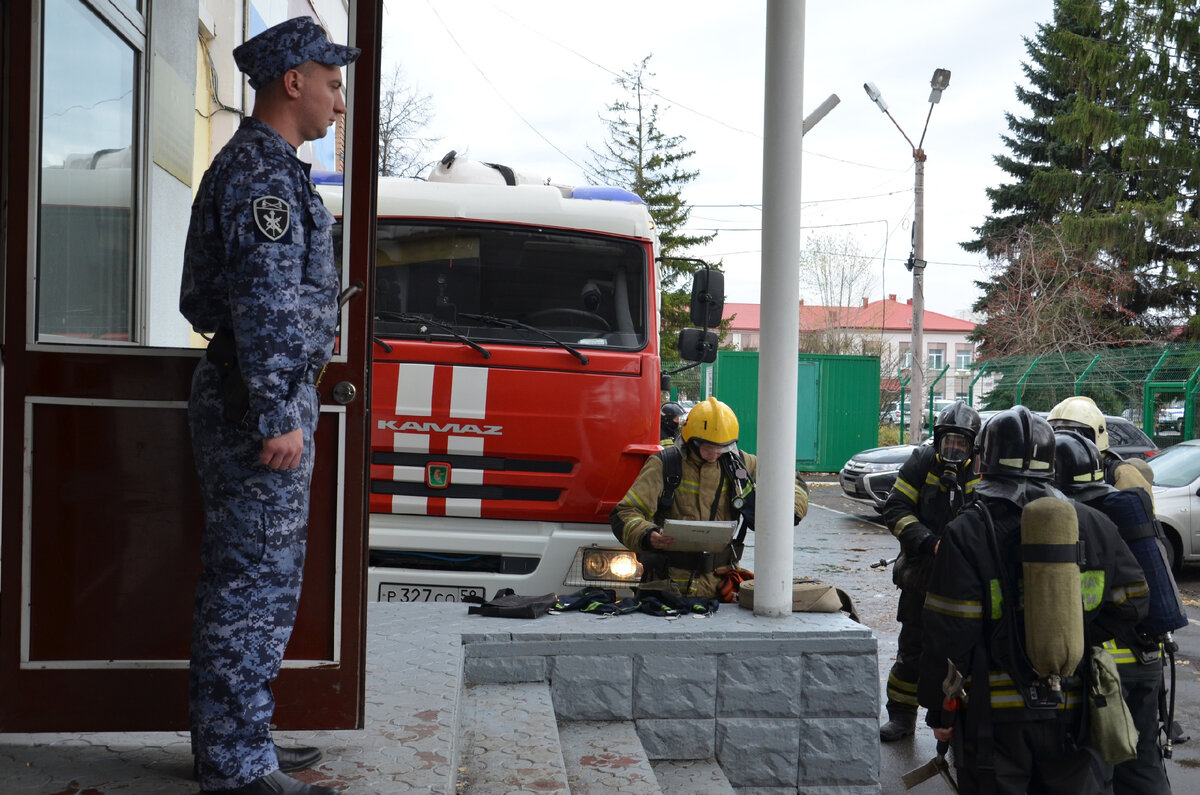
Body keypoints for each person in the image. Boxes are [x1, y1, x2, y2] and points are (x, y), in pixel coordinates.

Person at [179, 17, 359, 795]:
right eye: (331, 82)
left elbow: (219, 299)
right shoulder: (261, 174)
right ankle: (233, 762)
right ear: (294, 82)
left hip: (257, 393)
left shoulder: (270, 167)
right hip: (260, 404)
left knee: (260, 579)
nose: (339, 101)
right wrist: (281, 410)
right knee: (250, 581)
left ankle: (241, 734)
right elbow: (265, 304)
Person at [919, 406, 1149, 794]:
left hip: (993, 718)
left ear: (982, 463)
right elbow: (1134, 602)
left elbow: (948, 632)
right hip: (1074, 708)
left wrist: (938, 709)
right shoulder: (1091, 522)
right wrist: (1076, 635)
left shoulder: (967, 531)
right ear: (1051, 465)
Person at [1054, 430, 1182, 794]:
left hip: (1104, 668)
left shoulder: (1072, 521)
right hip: (1148, 658)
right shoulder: (1125, 509)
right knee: (1142, 761)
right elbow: (1144, 593)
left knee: (1097, 766)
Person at [611, 396, 808, 597]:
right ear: (690, 440)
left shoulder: (738, 463)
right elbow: (625, 513)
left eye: (722, 447)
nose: (714, 454)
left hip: (720, 587)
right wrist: (647, 534)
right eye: (707, 447)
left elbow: (789, 477)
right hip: (667, 586)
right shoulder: (664, 464)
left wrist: (790, 511)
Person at [878, 400, 980, 742]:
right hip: (922, 575)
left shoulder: (981, 471)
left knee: (965, 655)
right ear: (938, 440)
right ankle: (902, 716)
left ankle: (958, 724)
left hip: (966, 580)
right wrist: (927, 541)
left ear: (972, 445)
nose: (953, 448)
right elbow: (895, 507)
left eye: (961, 443)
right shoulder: (922, 462)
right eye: (948, 441)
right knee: (912, 649)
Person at [1049, 395, 1153, 492]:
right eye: (1056, 432)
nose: (1063, 440)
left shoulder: (1122, 473)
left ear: (1095, 433)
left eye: (1072, 432)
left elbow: (1135, 508)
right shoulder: (1051, 469)